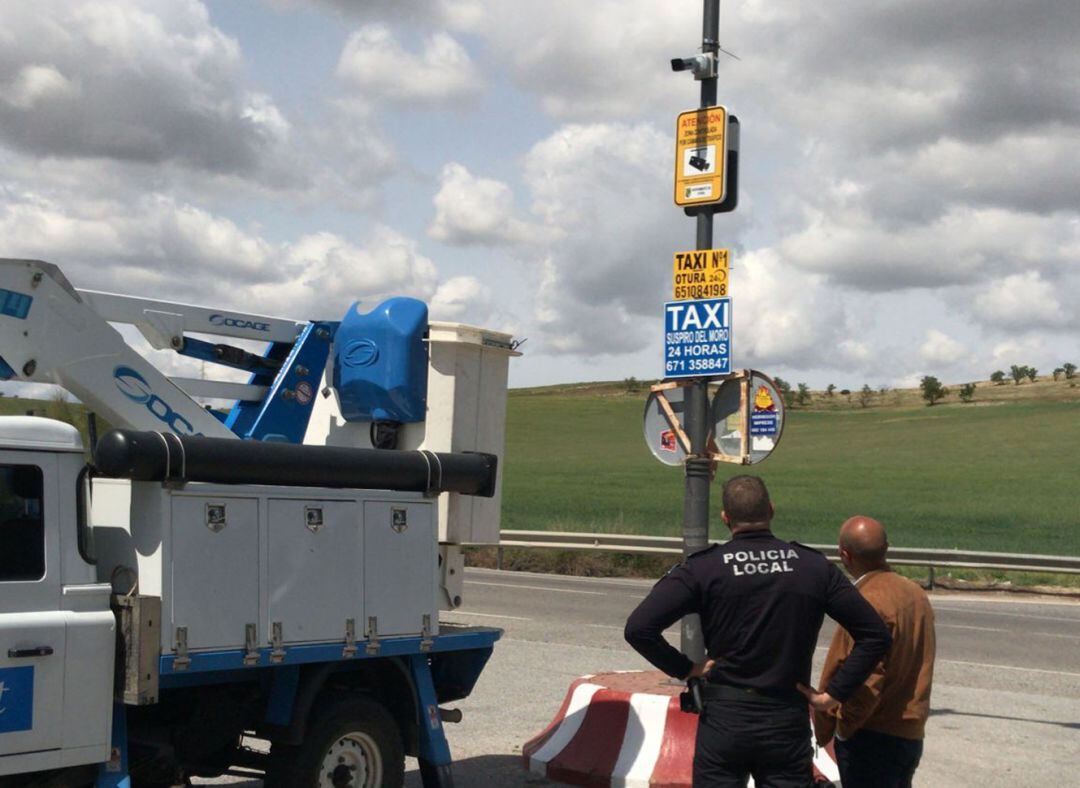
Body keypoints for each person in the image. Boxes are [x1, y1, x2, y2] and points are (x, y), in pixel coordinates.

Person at [624, 475, 891, 787]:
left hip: (725, 718)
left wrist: (686, 668)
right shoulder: (812, 567)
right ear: (772, 510)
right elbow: (875, 634)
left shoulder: (704, 568)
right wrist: (833, 695)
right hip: (785, 718)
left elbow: (639, 628)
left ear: (725, 518)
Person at [807, 516, 936, 788]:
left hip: (871, 734)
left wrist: (842, 729)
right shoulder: (915, 593)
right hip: (909, 731)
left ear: (844, 555)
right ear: (886, 548)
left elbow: (867, 678)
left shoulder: (865, 601)